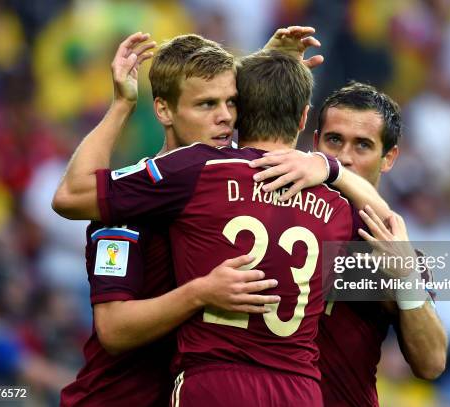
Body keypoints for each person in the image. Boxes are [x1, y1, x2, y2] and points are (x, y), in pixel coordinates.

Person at [58, 32, 283, 406]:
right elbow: (113, 329)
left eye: (231, 102)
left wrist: (276, 71)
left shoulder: (230, 186)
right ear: (164, 111)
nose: (225, 116)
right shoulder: (133, 200)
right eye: (207, 104)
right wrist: (121, 105)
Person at [249, 81, 448, 406]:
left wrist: (406, 278)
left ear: (389, 158)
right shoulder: (268, 211)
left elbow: (432, 362)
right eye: (334, 140)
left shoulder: (389, 245)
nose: (343, 157)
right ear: (314, 142)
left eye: (363, 146)